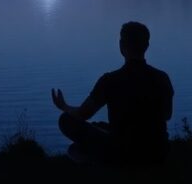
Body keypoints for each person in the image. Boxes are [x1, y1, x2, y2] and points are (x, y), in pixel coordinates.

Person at [50, 21, 174, 165]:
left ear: (121, 46)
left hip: (122, 151)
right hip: (158, 150)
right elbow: (167, 115)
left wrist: (64, 106)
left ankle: (95, 162)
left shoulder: (110, 80)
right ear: (146, 46)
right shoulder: (162, 78)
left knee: (65, 121)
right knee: (100, 125)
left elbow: (83, 114)